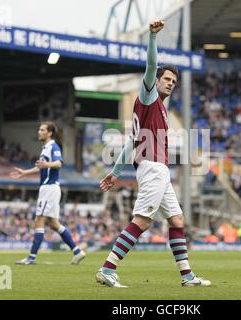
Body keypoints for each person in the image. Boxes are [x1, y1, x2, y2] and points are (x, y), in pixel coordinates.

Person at [96, 20, 211, 287]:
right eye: (166, 79)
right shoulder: (148, 97)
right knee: (143, 221)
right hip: (153, 168)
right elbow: (150, 66)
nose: (171, 83)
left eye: (174, 81)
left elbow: (130, 143)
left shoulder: (158, 108)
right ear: (155, 81)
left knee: (177, 219)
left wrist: (115, 172)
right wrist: (152, 37)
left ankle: (187, 276)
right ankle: (108, 268)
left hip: (157, 169)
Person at [11, 121, 86, 265]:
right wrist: (25, 172)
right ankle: (77, 251)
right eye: (39, 129)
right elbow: (42, 167)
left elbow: (59, 163)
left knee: (39, 219)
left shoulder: (53, 146)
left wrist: (47, 164)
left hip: (49, 188)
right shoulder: (45, 148)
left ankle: (31, 257)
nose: (39, 132)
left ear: (49, 133)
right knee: (53, 224)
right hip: (49, 188)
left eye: (42, 129)